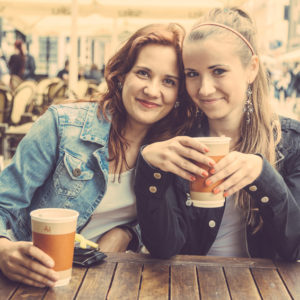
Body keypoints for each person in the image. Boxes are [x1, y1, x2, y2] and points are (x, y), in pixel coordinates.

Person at [0, 23, 195, 287]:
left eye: (168, 81)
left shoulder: (173, 149)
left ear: (179, 93)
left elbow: (166, 221)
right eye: (143, 73)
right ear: (122, 75)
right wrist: (3, 251)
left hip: (109, 282)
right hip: (33, 279)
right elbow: (5, 202)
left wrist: (127, 233)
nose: (152, 90)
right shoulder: (62, 125)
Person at [134, 8, 300, 262]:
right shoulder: (176, 142)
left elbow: (295, 249)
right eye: (192, 74)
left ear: (251, 69)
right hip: (191, 284)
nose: (204, 88)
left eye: (219, 71)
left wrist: (263, 176)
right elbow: (163, 247)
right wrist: (149, 169)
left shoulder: (290, 142)